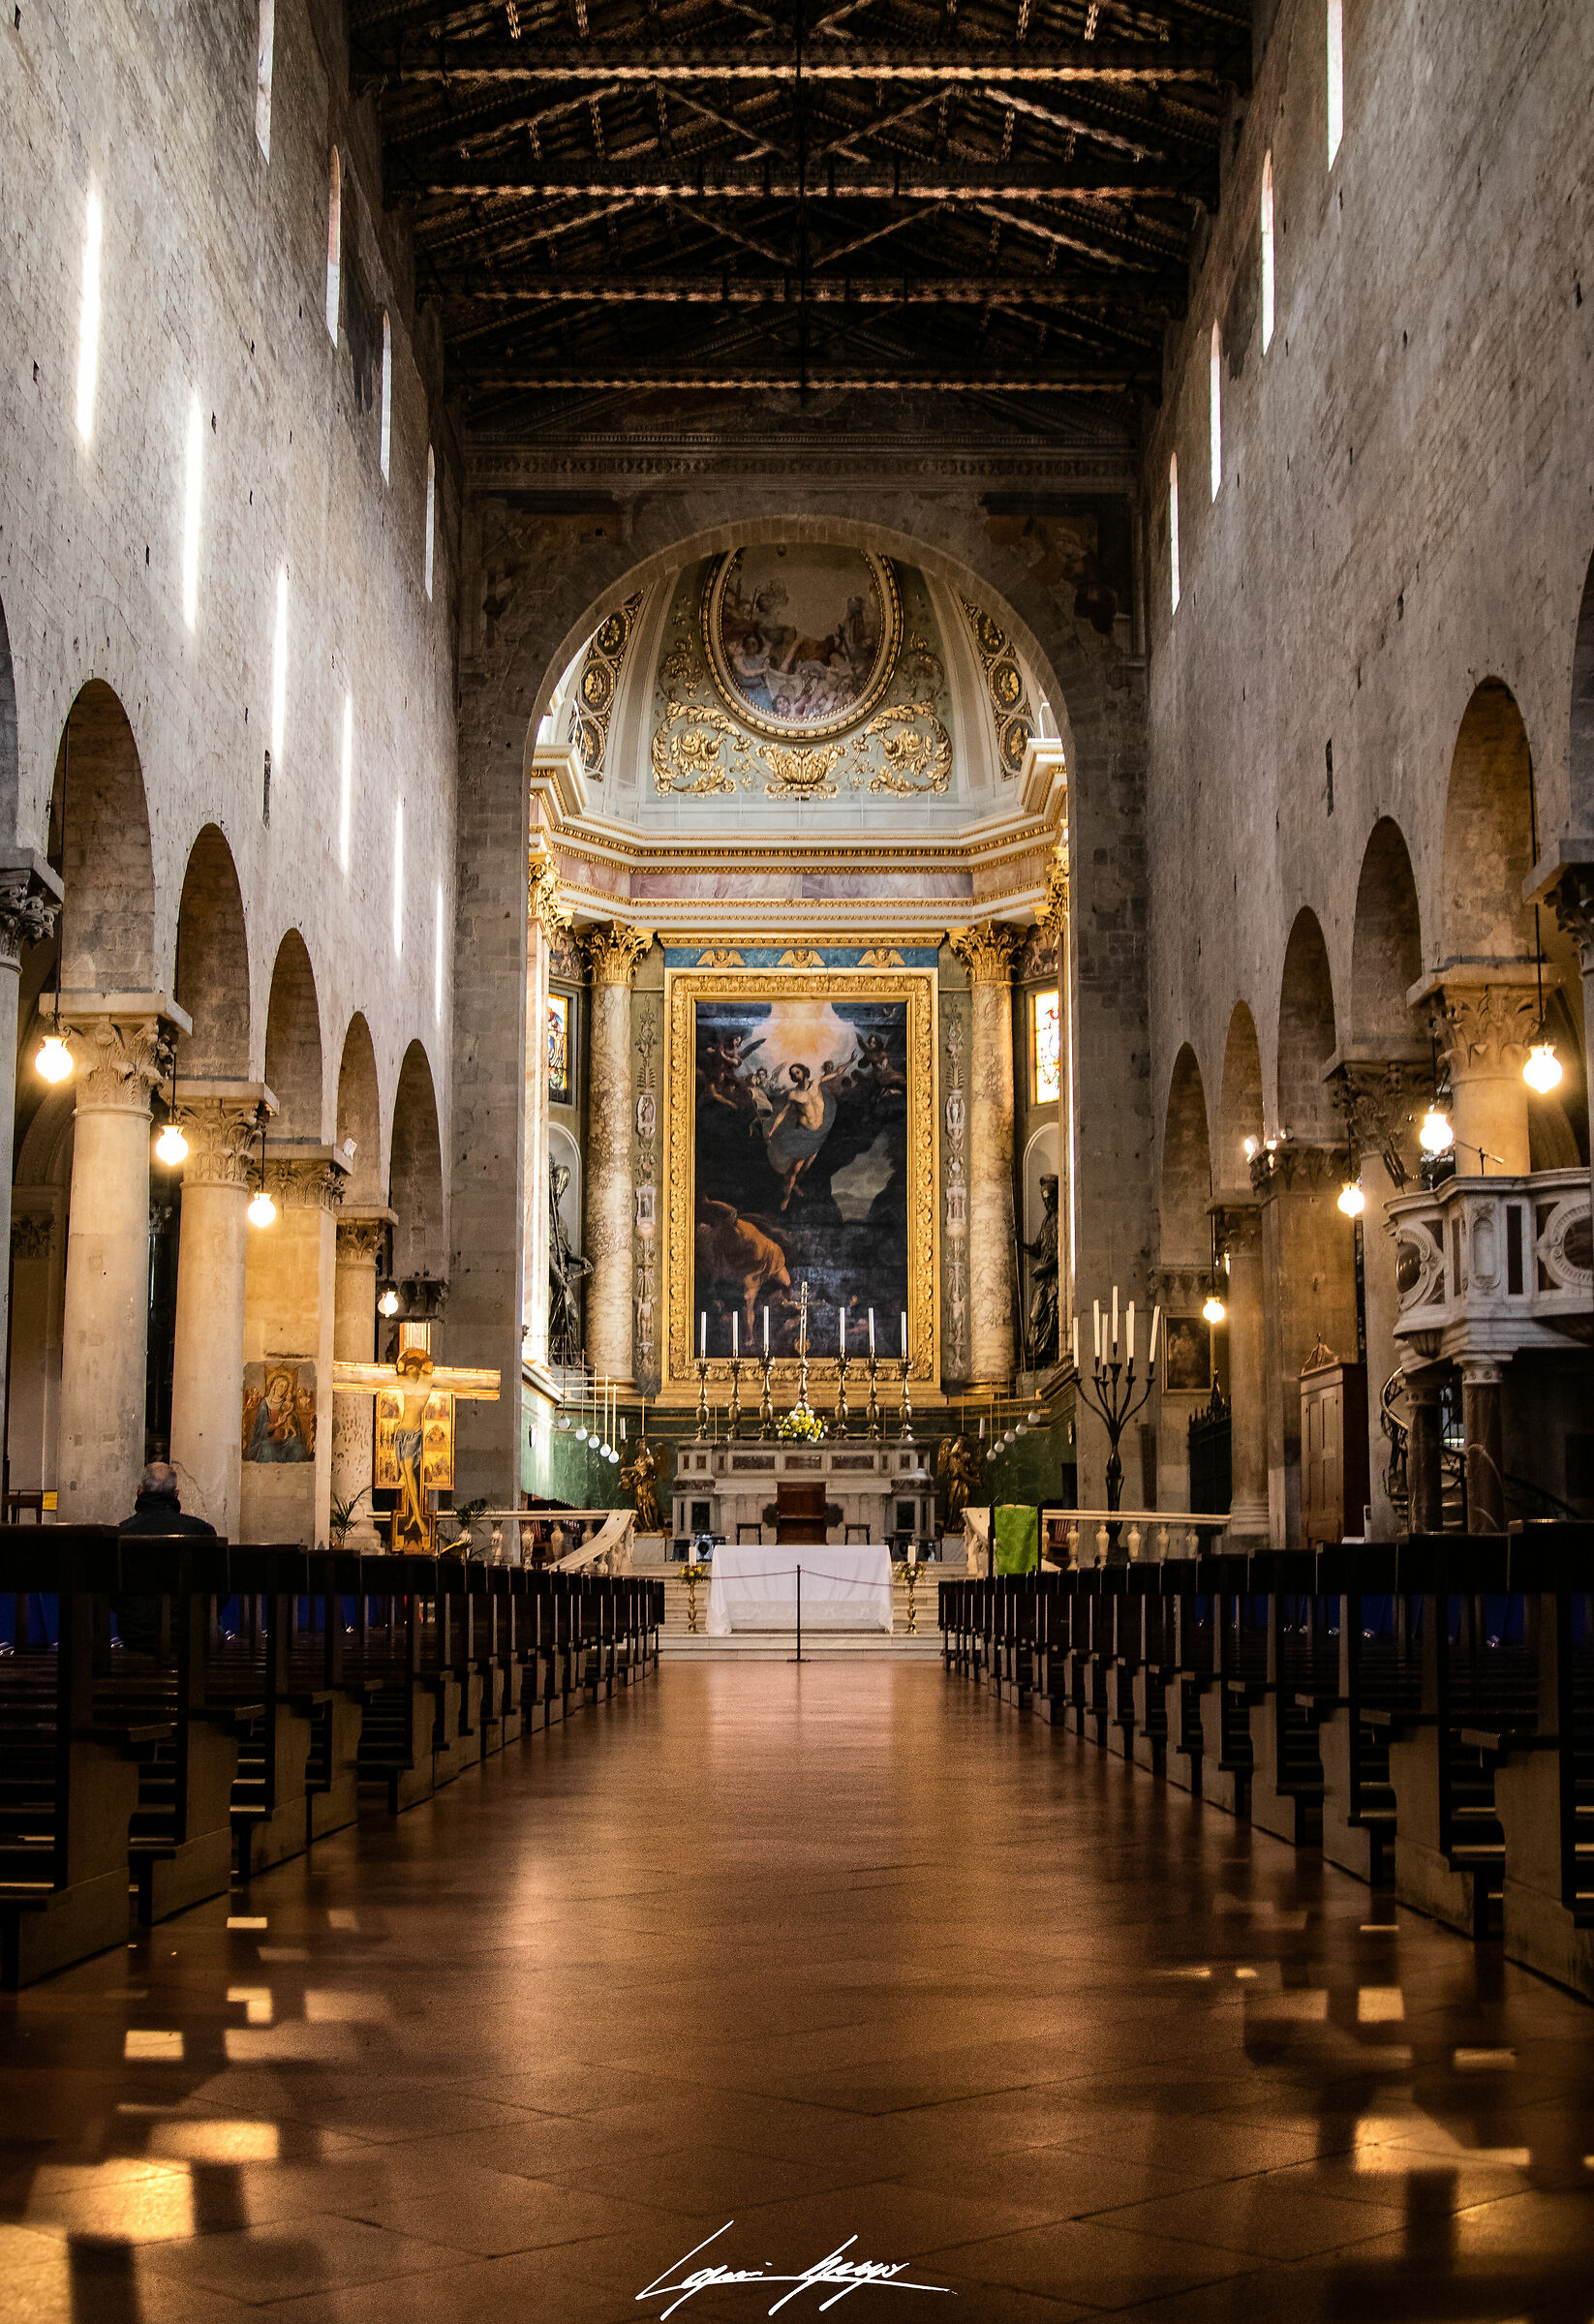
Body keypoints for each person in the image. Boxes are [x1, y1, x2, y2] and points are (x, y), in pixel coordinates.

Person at [114, 1461, 217, 1656]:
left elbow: (113, 1596)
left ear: (139, 1492)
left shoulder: (120, 1533)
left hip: (135, 1634)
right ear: (176, 1495)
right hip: (190, 1631)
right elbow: (218, 1590)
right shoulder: (202, 1531)